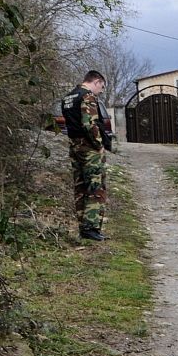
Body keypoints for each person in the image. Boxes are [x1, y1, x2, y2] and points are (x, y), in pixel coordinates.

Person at [61, 70, 111, 241]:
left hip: (74, 146)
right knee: (95, 187)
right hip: (89, 148)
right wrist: (99, 145)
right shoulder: (87, 96)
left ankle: (84, 228)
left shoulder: (68, 97)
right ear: (96, 82)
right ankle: (91, 228)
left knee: (80, 187)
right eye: (101, 87)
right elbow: (89, 124)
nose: (101, 91)